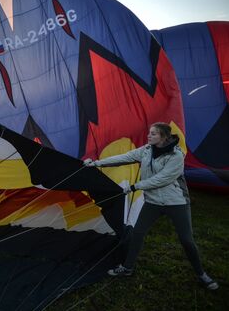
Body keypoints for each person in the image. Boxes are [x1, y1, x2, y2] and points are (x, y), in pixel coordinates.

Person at [83, 122, 218, 290]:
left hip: (176, 203)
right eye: (150, 133)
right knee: (137, 233)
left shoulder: (176, 156)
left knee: (186, 240)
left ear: (164, 137)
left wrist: (134, 187)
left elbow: (162, 179)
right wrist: (96, 163)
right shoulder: (146, 150)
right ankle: (127, 268)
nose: (149, 136)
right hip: (153, 202)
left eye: (153, 134)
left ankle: (202, 275)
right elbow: (124, 157)